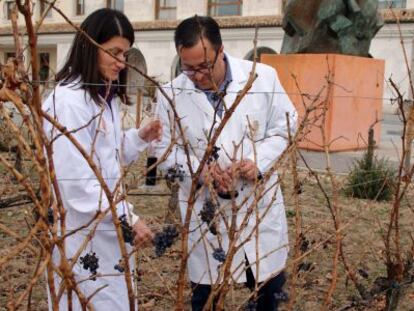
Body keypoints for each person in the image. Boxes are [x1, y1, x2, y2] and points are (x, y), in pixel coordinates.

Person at [155, 15, 297, 310]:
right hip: (208, 220)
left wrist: (257, 163)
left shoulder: (263, 77)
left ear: (221, 51)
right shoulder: (170, 93)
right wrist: (198, 170)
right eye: (188, 68)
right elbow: (163, 155)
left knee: (266, 293)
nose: (197, 76)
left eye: (204, 66)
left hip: (257, 211)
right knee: (208, 299)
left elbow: (286, 127)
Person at [42, 8, 161, 310]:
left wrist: (138, 137)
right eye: (114, 52)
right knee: (88, 300)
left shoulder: (101, 96)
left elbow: (105, 155)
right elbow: (78, 184)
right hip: (80, 234)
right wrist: (129, 218)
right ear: (90, 46)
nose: (122, 62)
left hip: (107, 230)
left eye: (126, 54)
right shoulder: (66, 102)